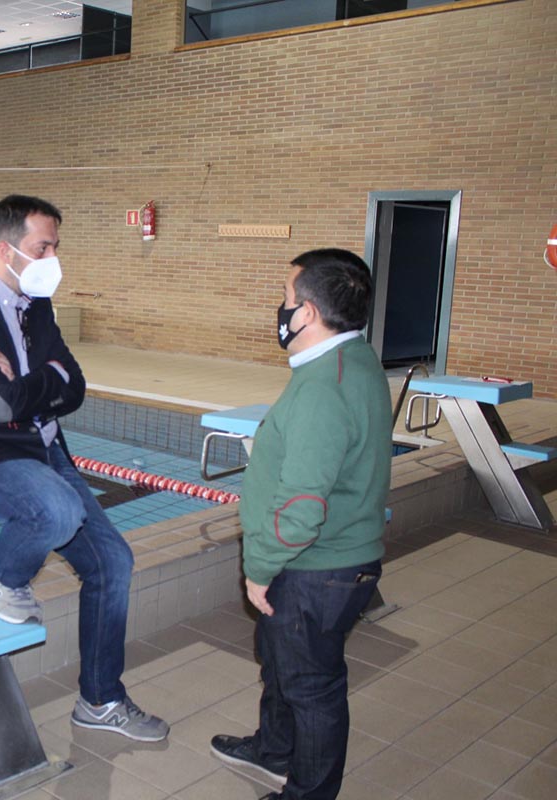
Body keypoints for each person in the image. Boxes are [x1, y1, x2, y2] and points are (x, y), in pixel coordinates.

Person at [0, 194, 168, 742]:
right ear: (7, 250)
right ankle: (4, 573)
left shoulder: (35, 303)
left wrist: (29, 384)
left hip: (42, 447)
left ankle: (100, 701)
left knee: (113, 563)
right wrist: (37, 386)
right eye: (43, 247)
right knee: (56, 509)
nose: (53, 257)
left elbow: (74, 385)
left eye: (54, 246)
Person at [210, 249, 392, 800]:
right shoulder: (355, 360)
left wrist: (259, 569)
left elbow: (303, 506)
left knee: (311, 688)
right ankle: (274, 749)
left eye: (287, 298)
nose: (281, 308)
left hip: (315, 568)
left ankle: (308, 792)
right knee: (283, 663)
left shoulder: (323, 387)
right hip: (329, 564)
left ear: (308, 312)